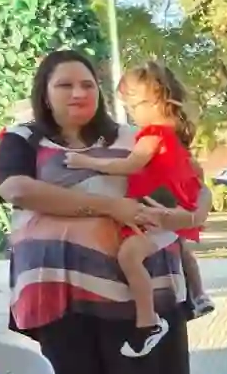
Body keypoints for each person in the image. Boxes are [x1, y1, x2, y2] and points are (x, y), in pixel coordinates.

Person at [0, 50, 200, 374]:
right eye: (65, 85)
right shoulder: (23, 138)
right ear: (44, 91)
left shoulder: (134, 137)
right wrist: (106, 208)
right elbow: (18, 190)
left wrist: (184, 216)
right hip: (54, 284)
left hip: (133, 283)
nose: (79, 93)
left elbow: (183, 181)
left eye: (87, 83)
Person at [64, 62, 210, 357]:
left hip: (157, 214)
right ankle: (165, 312)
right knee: (139, 254)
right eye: (127, 105)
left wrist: (87, 162)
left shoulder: (154, 134)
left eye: (135, 104)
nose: (132, 111)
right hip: (166, 213)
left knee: (129, 256)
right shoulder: (176, 139)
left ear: (157, 98)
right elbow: (197, 181)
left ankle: (147, 321)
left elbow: (130, 164)